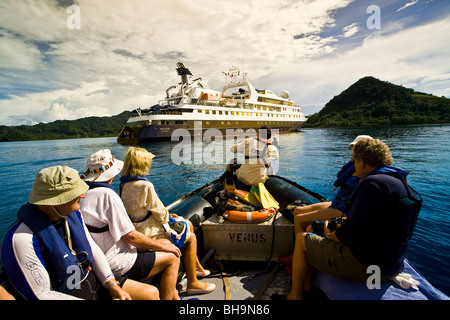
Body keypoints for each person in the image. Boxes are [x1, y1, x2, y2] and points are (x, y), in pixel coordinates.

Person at [275, 138, 422, 300]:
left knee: (303, 238)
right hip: (392, 266)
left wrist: (328, 233)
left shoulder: (371, 183)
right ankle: (308, 286)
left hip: (367, 265)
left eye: (355, 161)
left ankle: (295, 296)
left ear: (362, 163)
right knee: (313, 230)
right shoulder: (401, 183)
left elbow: (347, 236)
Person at [1, 166, 133, 300]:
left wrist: (111, 284)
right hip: (66, 293)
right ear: (53, 201)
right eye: (74, 192)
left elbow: (92, 247)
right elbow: (40, 295)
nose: (83, 195)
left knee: (149, 292)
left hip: (89, 281)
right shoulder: (21, 238)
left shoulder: (73, 214)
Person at [79, 149, 182, 300]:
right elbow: (131, 237)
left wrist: (161, 244)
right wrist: (163, 247)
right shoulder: (107, 195)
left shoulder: (83, 194)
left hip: (100, 259)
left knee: (165, 243)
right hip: (119, 261)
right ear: (111, 174)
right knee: (173, 256)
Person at [119, 147, 215, 295]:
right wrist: (172, 217)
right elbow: (161, 215)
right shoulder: (145, 185)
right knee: (191, 237)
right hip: (150, 232)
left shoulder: (124, 184)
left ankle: (197, 269)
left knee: (187, 225)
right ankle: (193, 282)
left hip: (138, 228)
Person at [292, 135, 373, 235]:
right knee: (297, 210)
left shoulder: (366, 169)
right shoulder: (353, 165)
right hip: (336, 203)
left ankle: (300, 248)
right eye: (353, 147)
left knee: (299, 219)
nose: (354, 150)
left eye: (357, 148)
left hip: (344, 209)